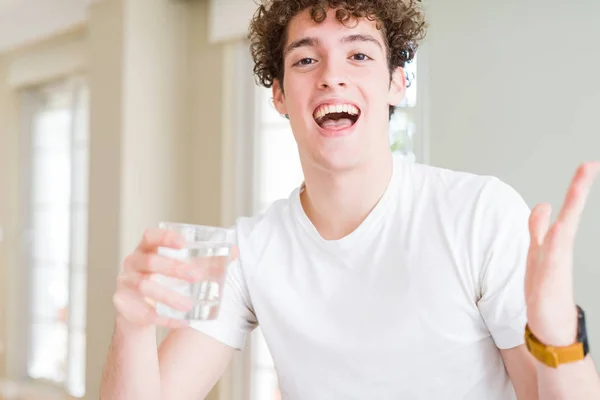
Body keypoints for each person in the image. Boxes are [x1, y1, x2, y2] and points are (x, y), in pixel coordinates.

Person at [100, 0, 600, 399]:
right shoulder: (249, 254)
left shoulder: (480, 215)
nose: (331, 76)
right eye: (305, 59)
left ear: (396, 83)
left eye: (359, 54)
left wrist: (560, 339)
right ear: (278, 95)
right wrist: (133, 328)